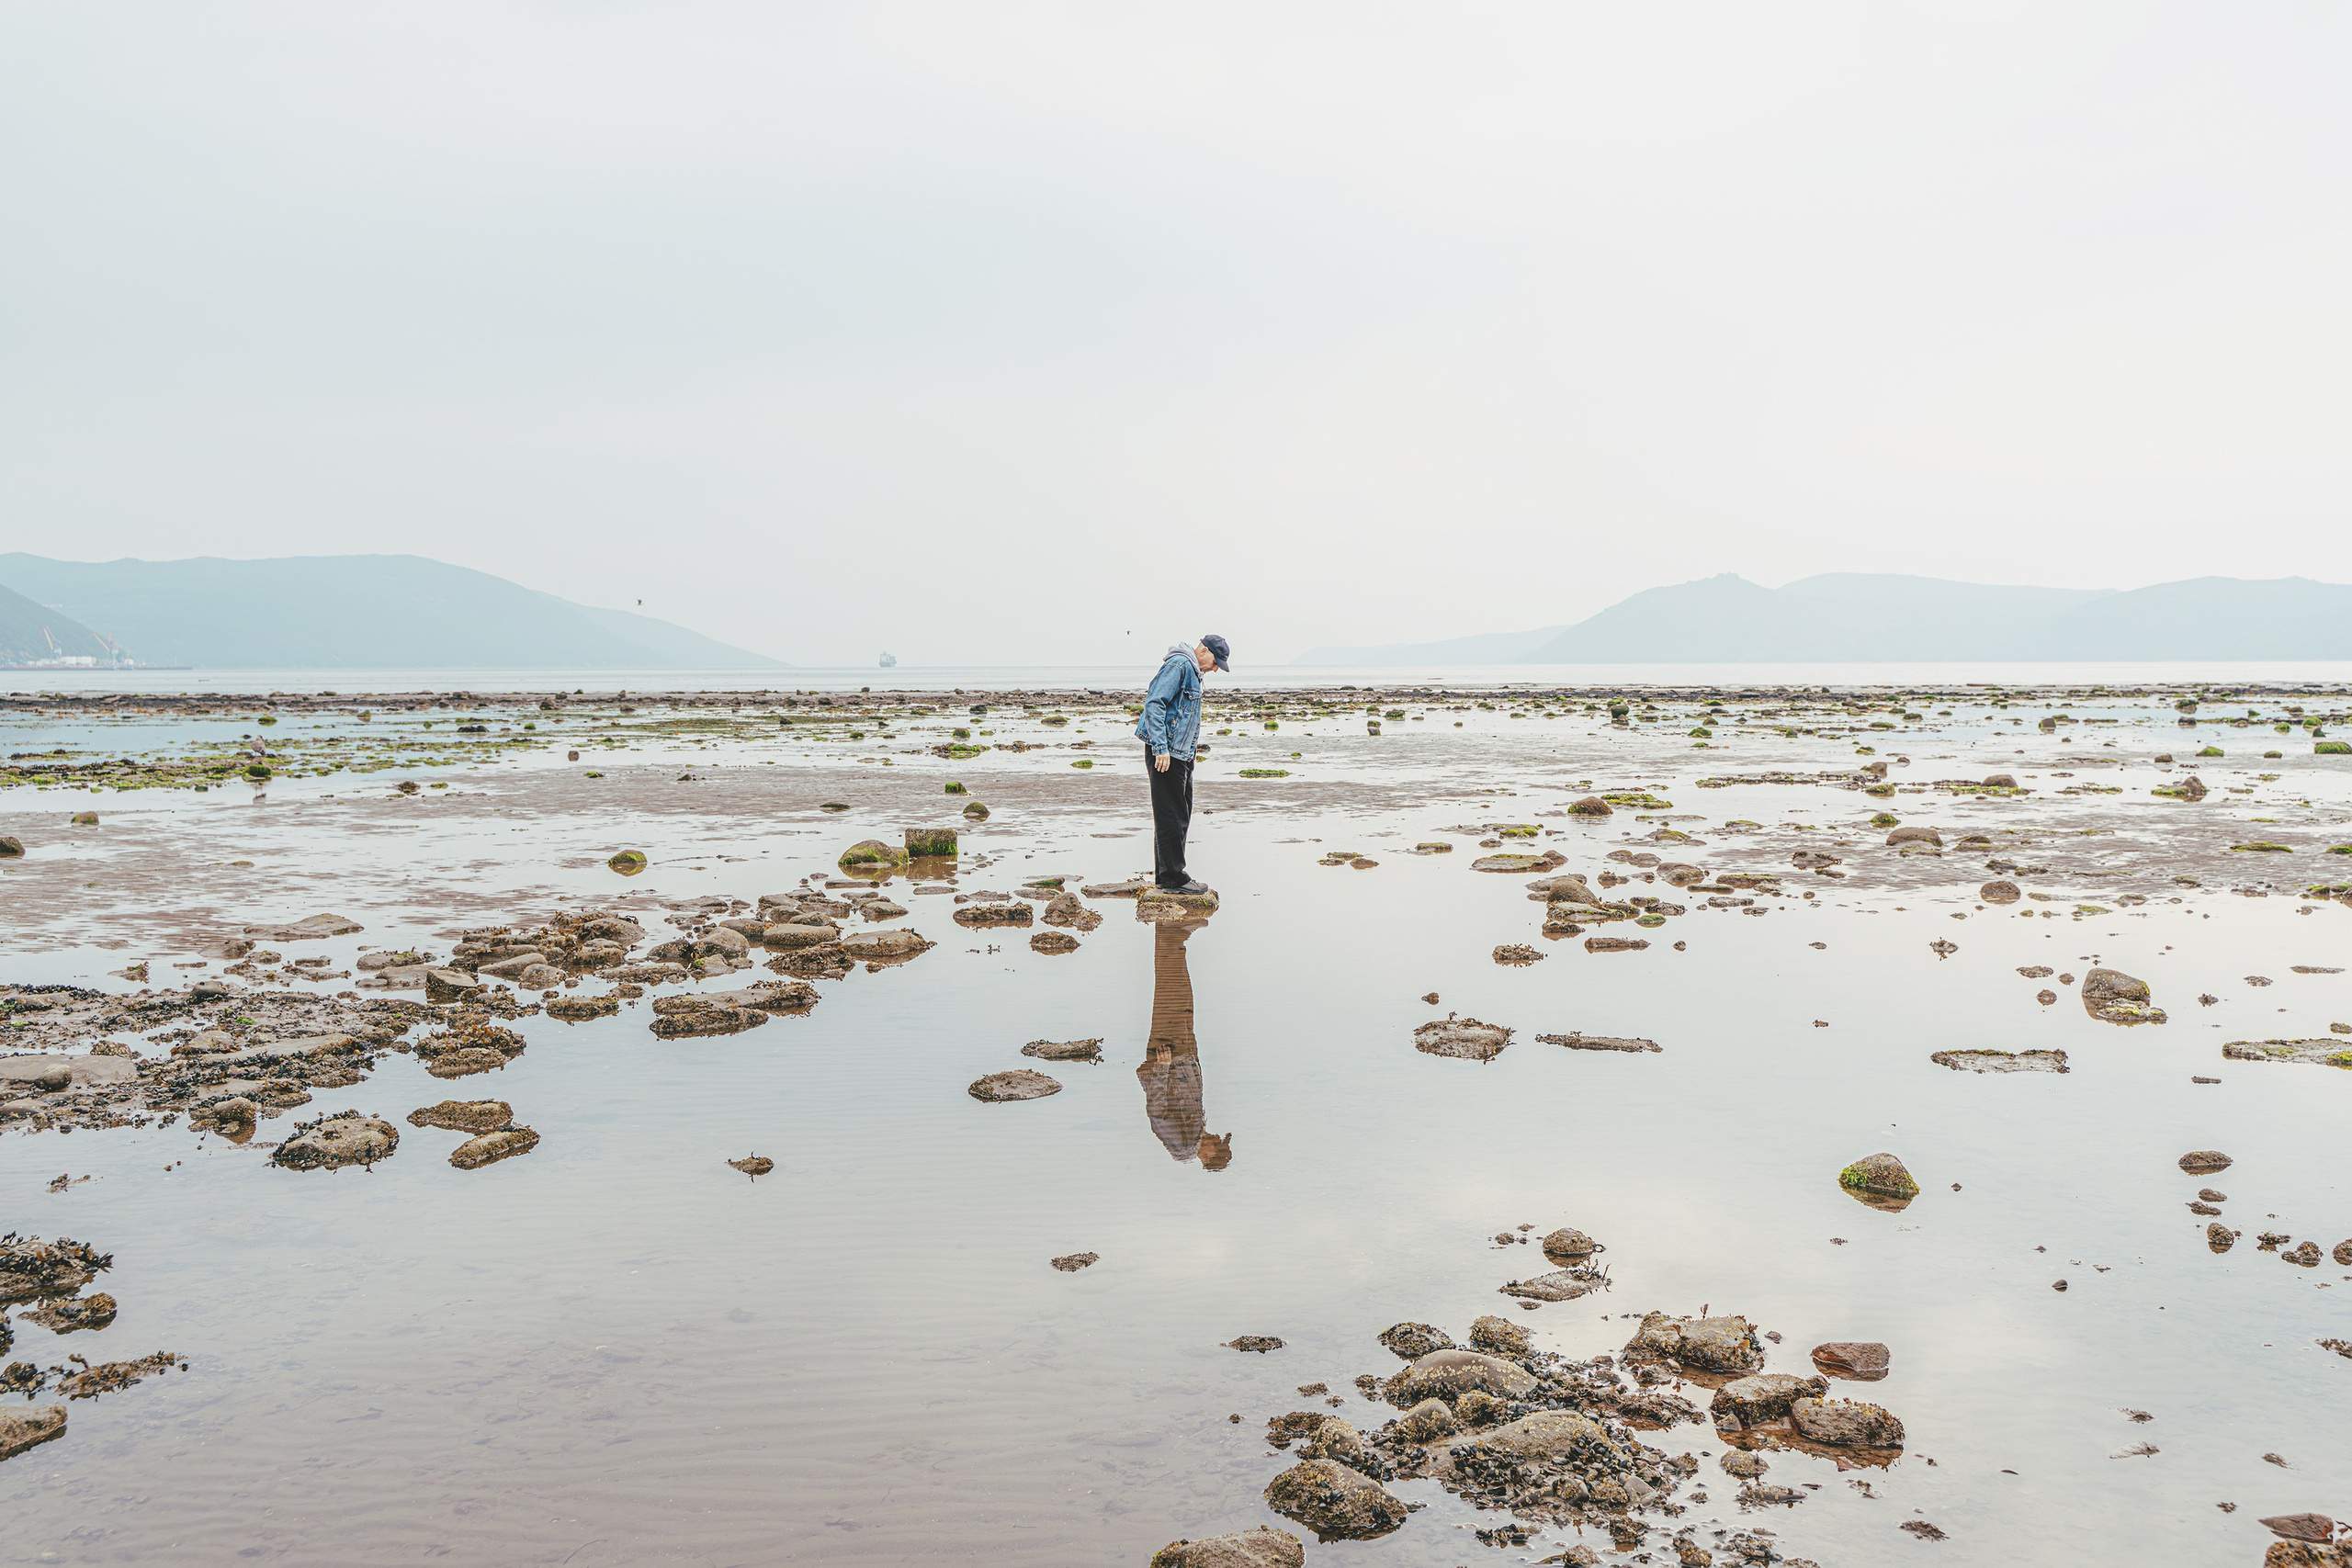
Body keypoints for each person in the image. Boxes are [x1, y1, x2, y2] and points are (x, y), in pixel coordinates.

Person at [1135, 634, 1228, 893]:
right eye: (1216, 661)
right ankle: (1174, 878)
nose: (1216, 668)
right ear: (1205, 651)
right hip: (1166, 753)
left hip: (1181, 753)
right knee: (1171, 816)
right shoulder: (1179, 665)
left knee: (1179, 813)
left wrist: (1187, 755)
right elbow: (1154, 703)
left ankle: (1167, 877)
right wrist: (1160, 748)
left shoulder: (1192, 670)